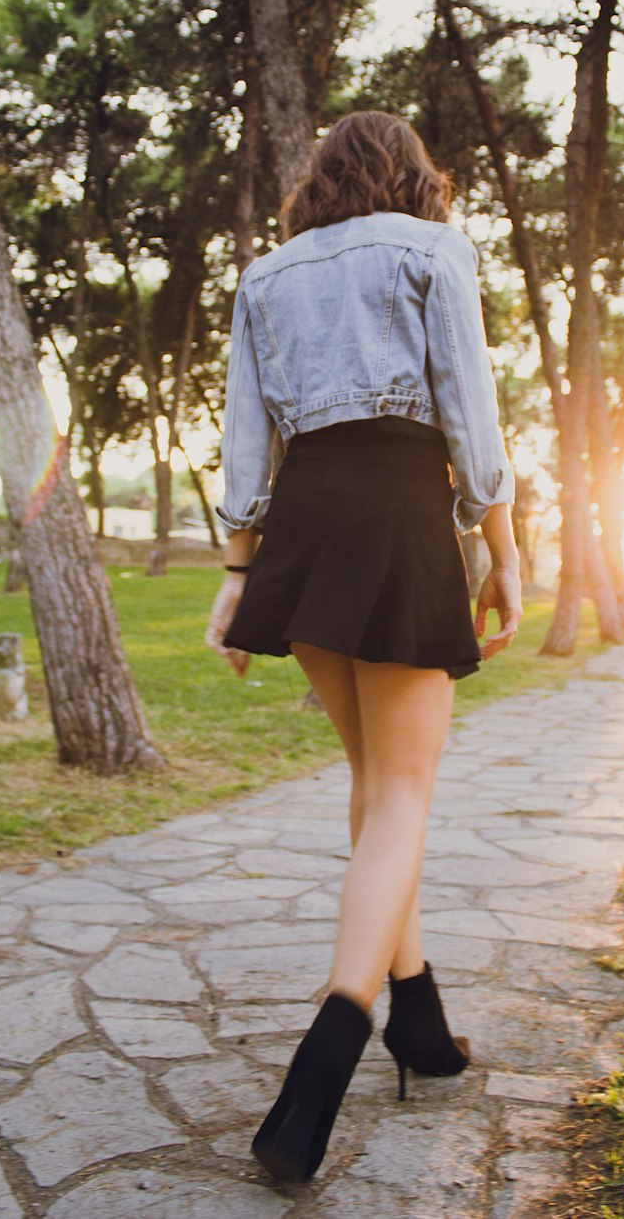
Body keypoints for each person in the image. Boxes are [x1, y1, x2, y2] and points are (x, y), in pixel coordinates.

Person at [204, 110, 522, 1182]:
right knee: (401, 798)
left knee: (372, 780)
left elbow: (247, 437)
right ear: (414, 179)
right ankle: (332, 1043)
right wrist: (504, 548)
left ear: (319, 183)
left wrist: (241, 568)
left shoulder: (264, 278)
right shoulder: (434, 248)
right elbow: (471, 419)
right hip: (395, 511)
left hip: (305, 518)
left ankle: (418, 1019)